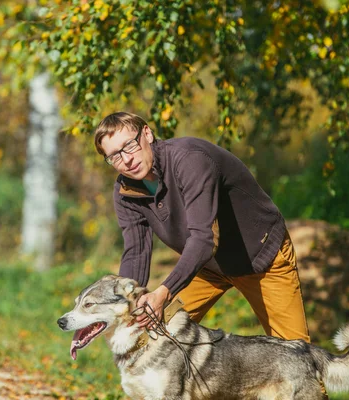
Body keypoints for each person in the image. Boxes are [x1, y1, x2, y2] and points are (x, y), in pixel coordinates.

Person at [94, 111, 310, 343]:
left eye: (129, 145)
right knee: (155, 334)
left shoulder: (189, 160)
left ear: (147, 133)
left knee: (296, 356)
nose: (126, 159)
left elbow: (204, 238)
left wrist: (164, 292)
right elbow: (136, 252)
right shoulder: (125, 191)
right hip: (207, 267)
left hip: (261, 257)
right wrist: (127, 306)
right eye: (114, 156)